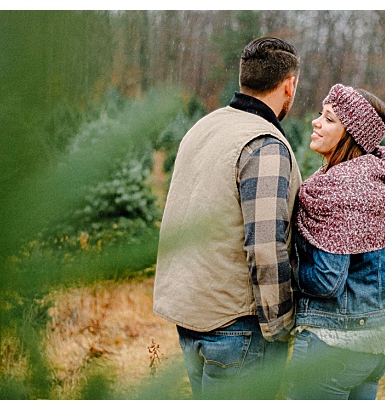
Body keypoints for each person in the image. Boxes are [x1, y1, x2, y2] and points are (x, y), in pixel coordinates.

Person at [154, 37, 302, 399]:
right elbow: (265, 246)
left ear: (244, 79)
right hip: (240, 330)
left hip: (191, 319)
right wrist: (281, 327)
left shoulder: (202, 128)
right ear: (289, 85)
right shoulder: (264, 144)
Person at [285, 84, 385, 400]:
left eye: (329, 119)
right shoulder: (381, 177)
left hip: (332, 343)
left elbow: (327, 280)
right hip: (375, 346)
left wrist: (288, 270)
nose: (315, 122)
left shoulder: (340, 189)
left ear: (351, 133)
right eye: (320, 115)